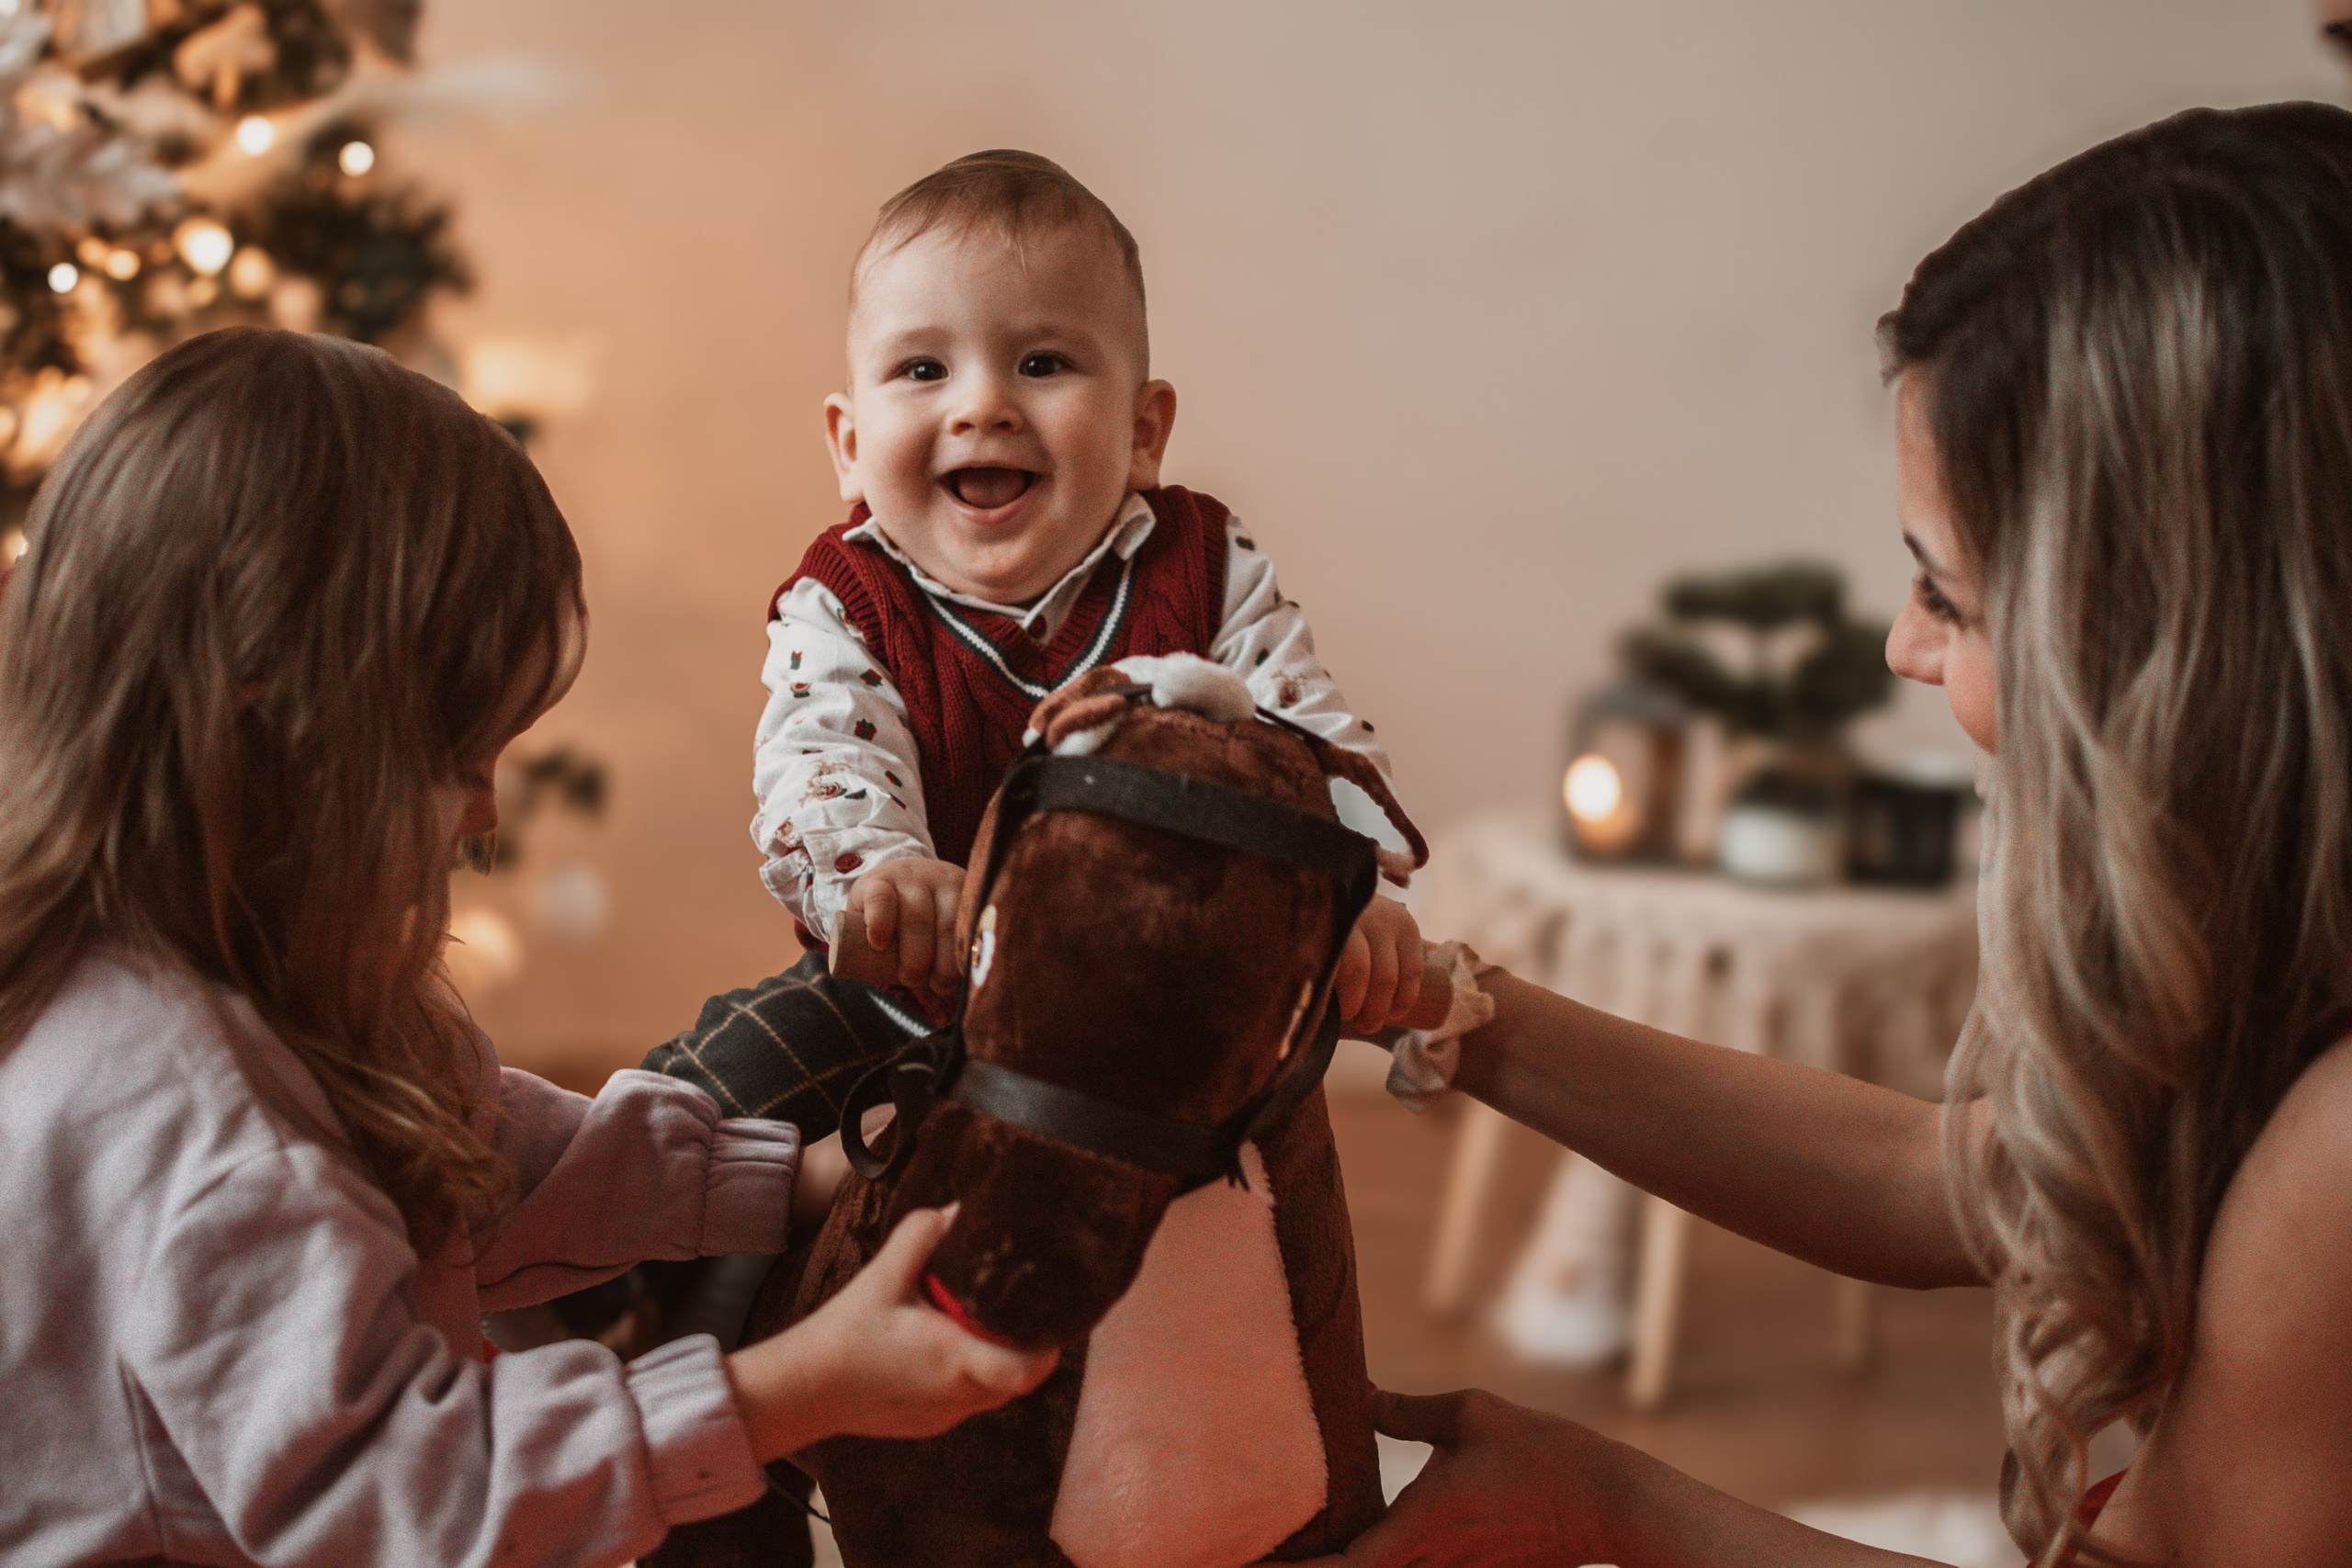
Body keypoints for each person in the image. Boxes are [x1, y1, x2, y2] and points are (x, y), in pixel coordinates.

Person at [1304, 103, 2352, 1568]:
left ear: (2171, 650)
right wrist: (1445, 1005)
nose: (1901, 644)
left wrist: (1617, 1504)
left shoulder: (2336, 1168)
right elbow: (1938, 1179)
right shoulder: (2290, 968)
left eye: (1952, 593)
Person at [0, 328, 1057, 1568]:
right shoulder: (206, 1129)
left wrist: (799, 1178)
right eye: (458, 758)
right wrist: (794, 1388)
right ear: (274, 735)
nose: (487, 813)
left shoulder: (248, 965)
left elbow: (478, 1150)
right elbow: (420, 1491)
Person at [642, 148, 1427, 1132]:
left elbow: (1303, 736)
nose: (982, 405)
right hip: (904, 1003)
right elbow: (821, 758)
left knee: (1271, 1124)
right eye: (923, 369)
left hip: (1155, 1013)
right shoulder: (844, 598)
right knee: (713, 1090)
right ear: (849, 446)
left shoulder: (1203, 568)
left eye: (1042, 364)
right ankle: (628, 1270)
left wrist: (1347, 888)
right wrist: (885, 878)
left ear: (1143, 433)